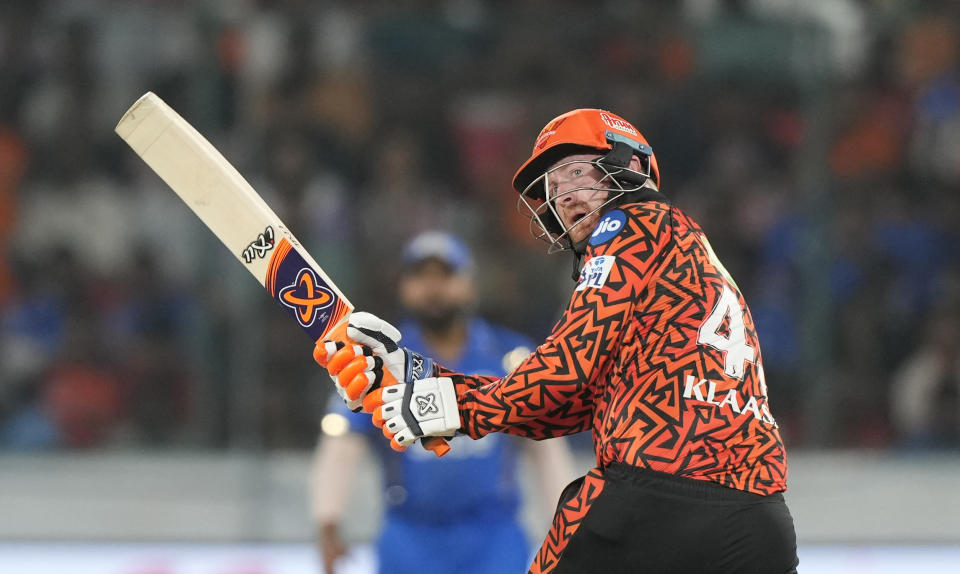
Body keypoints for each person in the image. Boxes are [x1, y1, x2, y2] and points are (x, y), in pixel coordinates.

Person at [319, 109, 798, 573]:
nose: (563, 194)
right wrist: (424, 376)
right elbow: (563, 406)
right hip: (758, 521)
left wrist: (443, 405)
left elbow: (563, 370)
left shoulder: (630, 224)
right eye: (552, 186)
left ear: (631, 167)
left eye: (575, 172)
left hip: (655, 499)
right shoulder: (689, 255)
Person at [311, 231, 575, 574]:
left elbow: (546, 448)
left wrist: (568, 527)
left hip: (494, 538)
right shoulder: (380, 360)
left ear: (470, 284)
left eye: (445, 276)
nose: (433, 288)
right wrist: (327, 520)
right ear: (403, 287)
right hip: (410, 537)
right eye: (420, 277)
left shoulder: (509, 357)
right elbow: (342, 441)